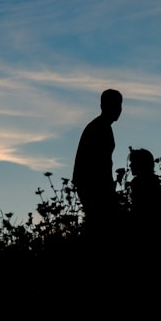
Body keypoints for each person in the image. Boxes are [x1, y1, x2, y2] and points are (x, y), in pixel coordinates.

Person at [72, 88, 123, 231]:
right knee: (103, 225)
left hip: (93, 186)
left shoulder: (101, 126)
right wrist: (107, 190)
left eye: (119, 105)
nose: (118, 109)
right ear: (103, 106)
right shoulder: (100, 128)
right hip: (94, 187)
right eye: (114, 104)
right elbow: (100, 164)